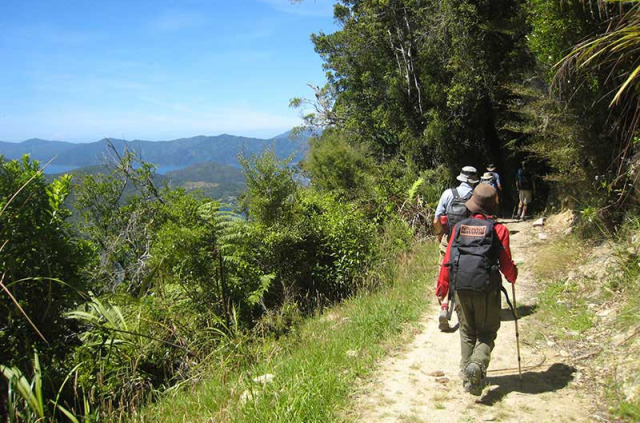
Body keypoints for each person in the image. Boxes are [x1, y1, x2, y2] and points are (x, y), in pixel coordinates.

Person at [435, 184, 518, 396]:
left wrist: (442, 289)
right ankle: (477, 366)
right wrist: (512, 276)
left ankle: (467, 375)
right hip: (486, 291)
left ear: (473, 206)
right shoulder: (499, 230)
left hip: (461, 288)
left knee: (466, 331)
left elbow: (448, 261)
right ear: (492, 207)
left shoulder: (459, 228)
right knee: (488, 332)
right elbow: (507, 265)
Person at [433, 166, 479, 331]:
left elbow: (436, 220)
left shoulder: (448, 194)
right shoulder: (477, 196)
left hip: (449, 240)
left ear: (460, 178)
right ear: (473, 180)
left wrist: (441, 237)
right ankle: (469, 310)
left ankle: (444, 307)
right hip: (470, 241)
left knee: (444, 272)